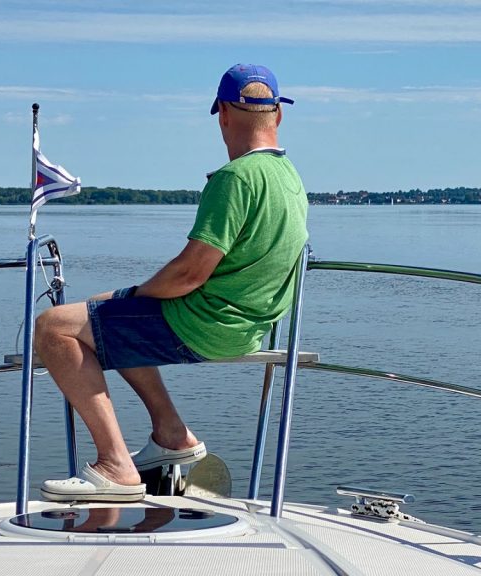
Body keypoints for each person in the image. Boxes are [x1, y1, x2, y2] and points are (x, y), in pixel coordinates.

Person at [34, 63, 309, 502]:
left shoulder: (236, 179)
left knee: (53, 328)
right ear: (278, 114)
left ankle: (116, 466)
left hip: (206, 326)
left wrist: (139, 294)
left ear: (222, 114)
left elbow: (190, 273)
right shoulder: (288, 176)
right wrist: (127, 299)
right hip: (248, 325)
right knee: (105, 307)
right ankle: (171, 433)